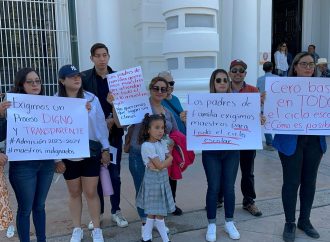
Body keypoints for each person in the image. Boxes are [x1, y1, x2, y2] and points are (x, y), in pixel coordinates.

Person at [273, 52, 327, 242]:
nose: (308, 67)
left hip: (314, 142)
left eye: (311, 64)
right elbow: (271, 111)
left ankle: (305, 220)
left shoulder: (323, 88)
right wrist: (264, 101)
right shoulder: (280, 87)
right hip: (290, 142)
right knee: (291, 182)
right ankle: (290, 222)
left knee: (309, 182)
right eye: (303, 64)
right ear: (294, 66)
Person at [55, 64, 111, 242]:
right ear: (62, 81)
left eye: (78, 75)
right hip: (68, 154)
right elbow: (52, 131)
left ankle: (96, 228)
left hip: (89, 152)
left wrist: (105, 148)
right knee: (73, 192)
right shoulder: (55, 102)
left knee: (91, 192)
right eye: (71, 76)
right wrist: (57, 158)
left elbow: (101, 126)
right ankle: (77, 228)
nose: (76, 79)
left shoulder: (91, 99)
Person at [0, 68, 55, 242]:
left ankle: (42, 240)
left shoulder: (50, 104)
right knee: (25, 209)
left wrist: (81, 110)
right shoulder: (11, 105)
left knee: (40, 206)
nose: (35, 85)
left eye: (37, 81)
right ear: (21, 84)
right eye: (30, 81)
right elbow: (1, 135)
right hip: (23, 166)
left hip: (46, 164)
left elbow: (63, 130)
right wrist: (1, 116)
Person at [81, 43, 128, 228]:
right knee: (95, 174)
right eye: (98, 55)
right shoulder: (84, 78)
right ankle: (98, 213)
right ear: (91, 58)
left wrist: (111, 119)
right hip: (92, 137)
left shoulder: (118, 79)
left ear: (109, 57)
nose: (102, 59)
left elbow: (126, 106)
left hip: (114, 133)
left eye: (105, 55)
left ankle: (116, 211)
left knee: (114, 174)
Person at [127, 76, 178, 238]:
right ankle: (145, 225)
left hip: (159, 158)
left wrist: (169, 146)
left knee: (156, 192)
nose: (160, 91)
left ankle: (155, 222)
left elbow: (175, 134)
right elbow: (121, 121)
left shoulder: (168, 112)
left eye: (163, 89)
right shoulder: (141, 105)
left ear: (167, 91)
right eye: (156, 88)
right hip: (139, 154)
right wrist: (115, 104)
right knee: (143, 191)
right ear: (150, 88)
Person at [203, 69, 240, 242]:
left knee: (229, 187)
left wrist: (258, 119)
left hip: (231, 151)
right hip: (211, 153)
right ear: (213, 83)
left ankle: (229, 222)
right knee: (214, 186)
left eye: (225, 80)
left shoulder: (239, 103)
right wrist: (186, 118)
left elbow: (246, 121)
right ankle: (211, 223)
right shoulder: (203, 103)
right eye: (219, 80)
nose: (222, 83)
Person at [228, 59, 262, 217]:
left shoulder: (253, 90)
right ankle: (220, 198)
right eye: (234, 70)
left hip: (247, 139)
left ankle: (249, 201)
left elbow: (257, 113)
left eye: (241, 70)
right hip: (227, 138)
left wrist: (261, 116)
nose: (237, 73)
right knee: (226, 171)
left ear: (245, 74)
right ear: (229, 73)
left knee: (248, 172)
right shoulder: (222, 89)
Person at [136, 113, 175, 242]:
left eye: (162, 128)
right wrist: (169, 159)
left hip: (162, 179)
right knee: (158, 212)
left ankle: (146, 237)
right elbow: (160, 165)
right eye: (156, 127)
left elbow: (162, 161)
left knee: (154, 212)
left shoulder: (161, 143)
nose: (160, 131)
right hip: (153, 180)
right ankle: (165, 239)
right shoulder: (147, 146)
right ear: (148, 129)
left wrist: (165, 161)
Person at [158, 70, 185, 216]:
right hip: (160, 145)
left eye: (171, 83)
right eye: (165, 82)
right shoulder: (157, 100)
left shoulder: (175, 100)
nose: (169, 86)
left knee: (173, 175)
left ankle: (171, 203)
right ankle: (162, 204)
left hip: (174, 146)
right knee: (161, 176)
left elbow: (179, 122)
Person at [256, 61, 278, 151]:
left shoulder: (259, 79)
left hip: (263, 103)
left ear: (263, 69)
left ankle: (269, 142)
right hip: (274, 104)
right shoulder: (277, 78)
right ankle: (276, 141)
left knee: (266, 123)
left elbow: (257, 90)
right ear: (272, 68)